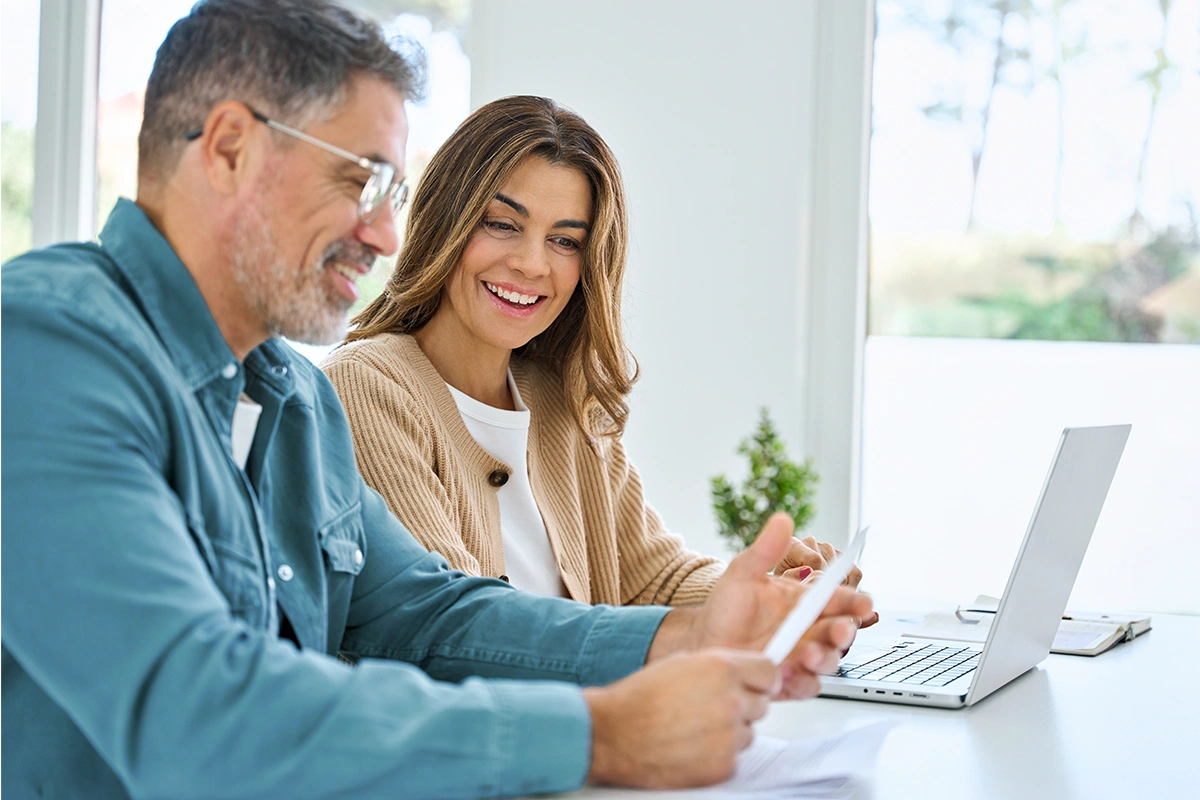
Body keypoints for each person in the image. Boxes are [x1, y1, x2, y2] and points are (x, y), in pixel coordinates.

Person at [0, 2, 873, 799]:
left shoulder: (291, 397)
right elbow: (196, 709)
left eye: (393, 194)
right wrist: (598, 734)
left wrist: (692, 635)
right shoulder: (45, 350)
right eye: (360, 181)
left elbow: (427, 613)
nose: (385, 234)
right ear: (229, 148)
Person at [322, 95, 874, 611]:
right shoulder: (367, 387)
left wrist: (773, 599)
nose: (532, 264)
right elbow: (459, 622)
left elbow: (658, 580)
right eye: (502, 224)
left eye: (566, 241)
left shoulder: (562, 400)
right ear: (445, 219)